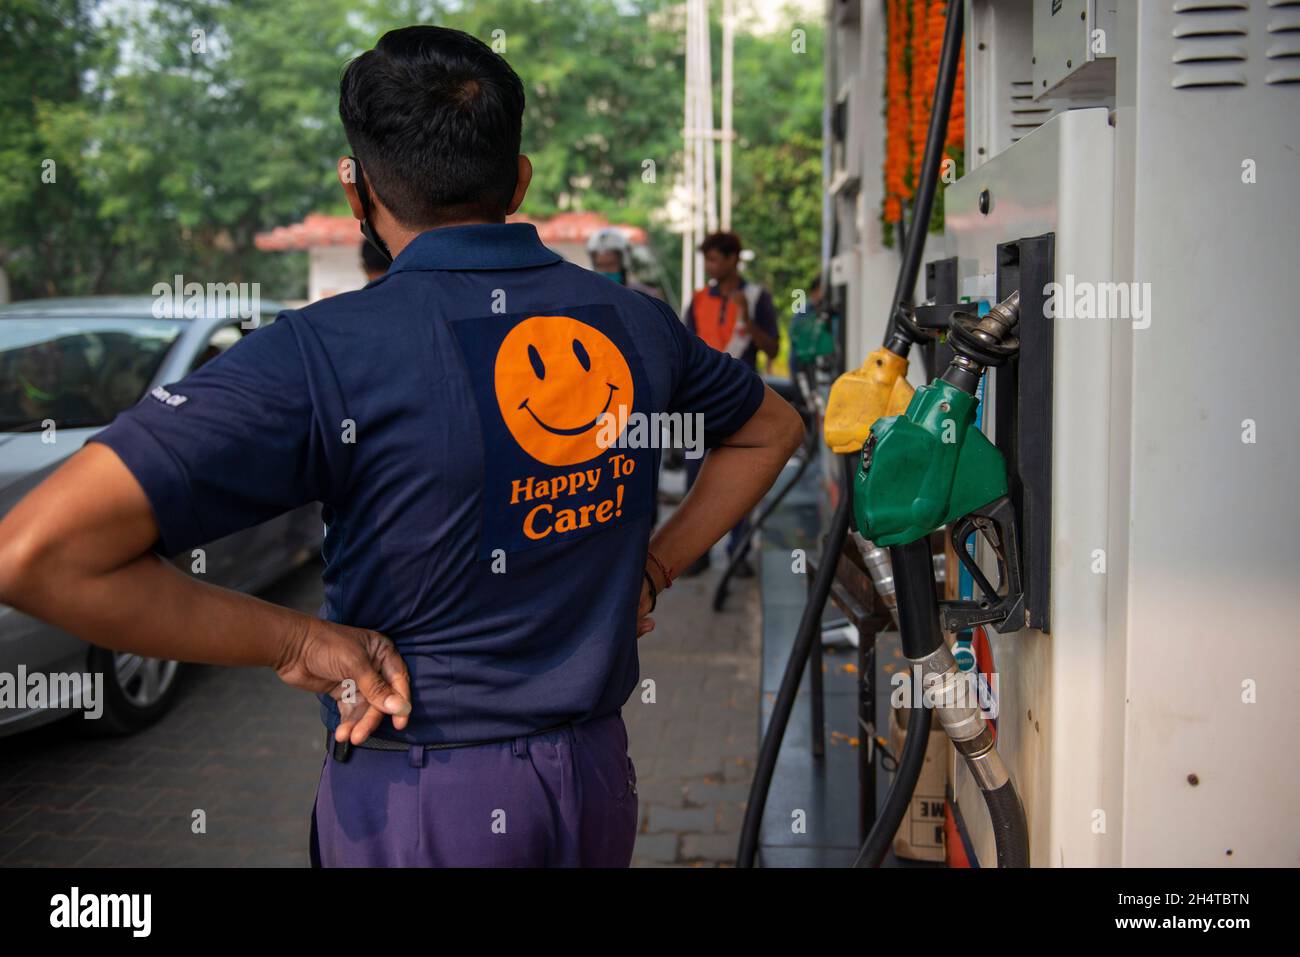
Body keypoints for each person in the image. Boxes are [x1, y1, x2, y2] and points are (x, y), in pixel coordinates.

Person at [0, 25, 804, 868]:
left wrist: (298, 643)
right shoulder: (630, 318)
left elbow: (37, 552)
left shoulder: (325, 351)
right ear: (518, 180)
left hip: (424, 802)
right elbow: (773, 427)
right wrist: (657, 564)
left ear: (358, 193)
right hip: (594, 782)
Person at [680, 231, 780, 578]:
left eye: (716, 258)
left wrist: (749, 322)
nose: (711, 265)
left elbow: (772, 350)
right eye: (707, 259)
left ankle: (738, 551)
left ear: (734, 258)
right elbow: (684, 346)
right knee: (695, 479)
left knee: (739, 476)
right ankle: (694, 553)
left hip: (741, 397)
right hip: (697, 398)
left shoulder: (756, 297)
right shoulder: (696, 300)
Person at [586, 227, 665, 301]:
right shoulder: (588, 298)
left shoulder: (647, 297)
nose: (605, 271)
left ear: (623, 263)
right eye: (600, 265)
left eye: (611, 264)